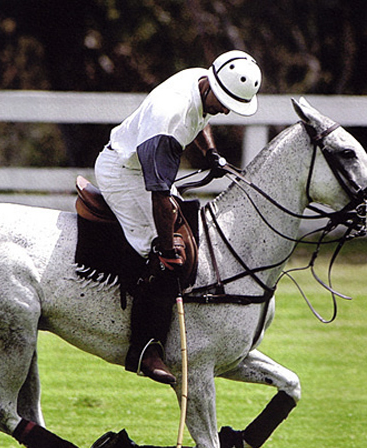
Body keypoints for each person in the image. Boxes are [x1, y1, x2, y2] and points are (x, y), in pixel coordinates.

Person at [94, 50, 262, 385]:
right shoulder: (169, 116)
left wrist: (210, 153)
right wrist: (167, 248)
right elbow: (158, 192)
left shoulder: (201, 79)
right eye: (225, 102)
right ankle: (145, 348)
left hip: (142, 168)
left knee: (186, 238)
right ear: (211, 85)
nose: (226, 110)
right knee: (165, 252)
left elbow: (200, 119)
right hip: (123, 172)